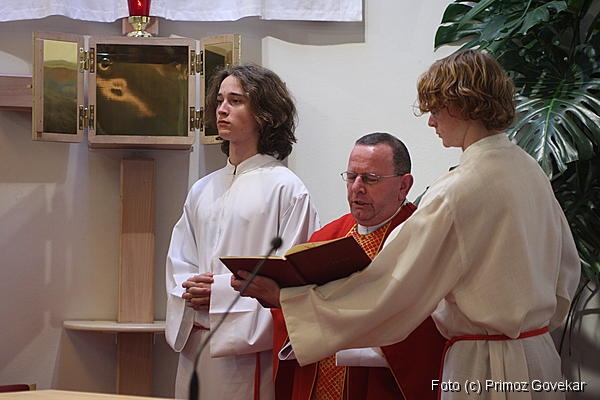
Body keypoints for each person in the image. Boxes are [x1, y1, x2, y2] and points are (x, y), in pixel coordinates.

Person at [232, 50, 581, 399]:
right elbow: (566, 272)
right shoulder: (530, 171)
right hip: (539, 358)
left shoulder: (460, 189)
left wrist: (289, 299)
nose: (431, 122)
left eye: (435, 110)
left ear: (460, 105)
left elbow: (391, 286)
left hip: (484, 366)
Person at [165, 63, 320, 400]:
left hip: (244, 352)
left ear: (265, 114)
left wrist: (219, 293)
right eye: (220, 100)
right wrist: (189, 289)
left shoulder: (287, 189)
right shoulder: (202, 188)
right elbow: (180, 260)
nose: (221, 109)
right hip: (194, 345)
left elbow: (293, 276)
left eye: (235, 101)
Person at [263, 132, 446, 400]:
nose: (356, 188)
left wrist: (341, 331)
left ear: (404, 186)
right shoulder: (325, 238)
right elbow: (289, 317)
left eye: (371, 179)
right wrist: (282, 299)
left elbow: (428, 330)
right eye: (351, 177)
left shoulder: (422, 240)